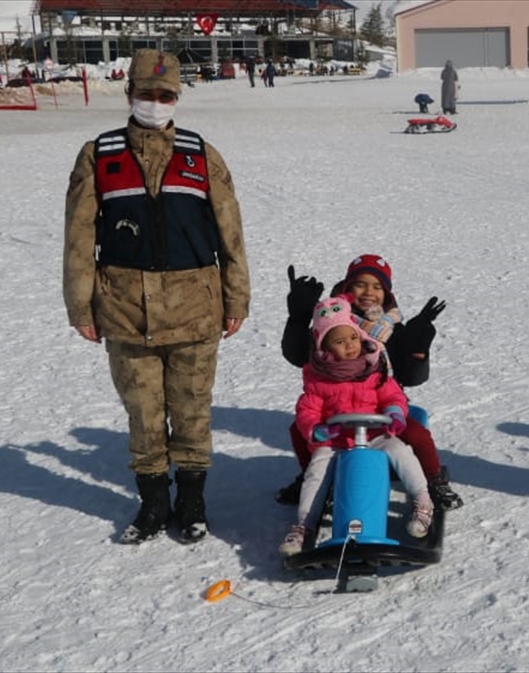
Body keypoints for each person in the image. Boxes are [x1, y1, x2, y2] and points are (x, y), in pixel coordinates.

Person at [63, 49, 251, 545]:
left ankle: (191, 502)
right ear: (129, 94)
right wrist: (81, 305)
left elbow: (231, 235)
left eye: (165, 96)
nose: (156, 103)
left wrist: (236, 298)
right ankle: (153, 503)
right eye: (147, 93)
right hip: (126, 309)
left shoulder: (202, 155)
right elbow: (79, 237)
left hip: (195, 307)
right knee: (144, 414)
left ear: (176, 99)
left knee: (191, 409)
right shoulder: (98, 155)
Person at [278, 255, 463, 510]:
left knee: (417, 434)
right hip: (334, 406)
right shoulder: (330, 325)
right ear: (347, 287)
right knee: (298, 430)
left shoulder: (392, 329)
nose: (369, 292)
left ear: (386, 294)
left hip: (381, 405)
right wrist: (297, 321)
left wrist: (417, 349)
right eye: (360, 284)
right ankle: (312, 478)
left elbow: (411, 377)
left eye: (377, 287)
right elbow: (298, 355)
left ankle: (434, 481)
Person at [280, 298, 433, 555]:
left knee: (401, 451)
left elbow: (392, 396)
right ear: (324, 347)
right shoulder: (318, 378)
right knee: (317, 470)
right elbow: (307, 410)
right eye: (340, 342)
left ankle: (422, 500)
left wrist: (394, 413)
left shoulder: (373, 368)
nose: (350, 345)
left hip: (376, 434)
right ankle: (304, 525)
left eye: (352, 338)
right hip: (336, 439)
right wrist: (317, 429)